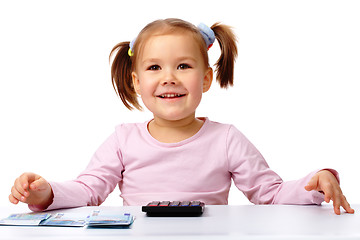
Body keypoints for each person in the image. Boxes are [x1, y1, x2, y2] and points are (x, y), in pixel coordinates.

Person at [9, 18, 354, 215]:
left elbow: (270, 192)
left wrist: (315, 181)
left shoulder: (227, 139)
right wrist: (46, 193)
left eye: (183, 66)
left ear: (205, 79)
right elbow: (88, 190)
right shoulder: (122, 140)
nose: (169, 77)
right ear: (137, 81)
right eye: (155, 67)